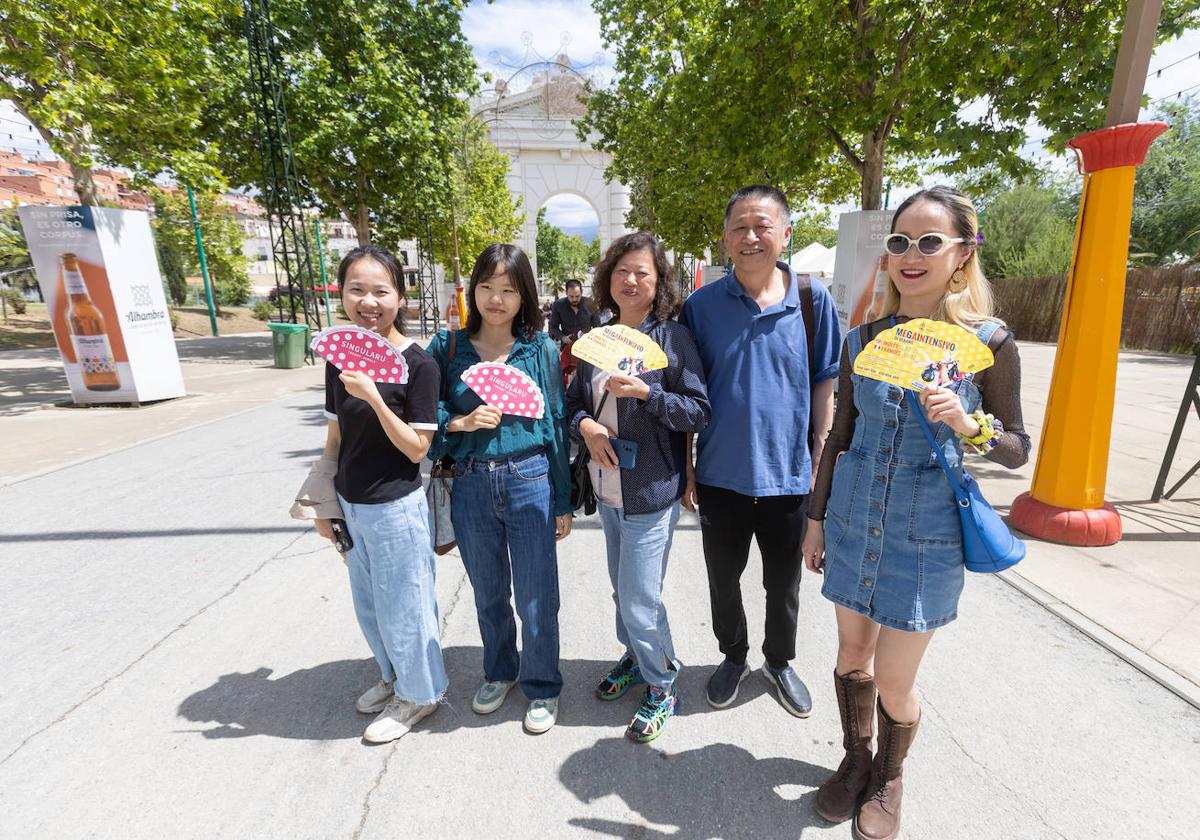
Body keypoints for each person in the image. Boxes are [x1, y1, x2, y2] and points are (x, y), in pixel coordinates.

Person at [802, 186, 1031, 840]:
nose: (911, 254)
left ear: (962, 254)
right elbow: (839, 438)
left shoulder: (989, 340)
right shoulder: (863, 339)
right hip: (851, 518)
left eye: (930, 241)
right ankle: (854, 759)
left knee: (896, 683)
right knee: (852, 654)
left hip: (926, 534)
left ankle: (889, 774)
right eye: (899, 241)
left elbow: (1017, 449)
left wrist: (971, 424)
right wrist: (815, 521)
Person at [679, 185, 841, 717]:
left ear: (785, 234)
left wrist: (820, 460)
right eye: (740, 228)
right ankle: (733, 655)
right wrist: (687, 471)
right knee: (723, 580)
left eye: (763, 226)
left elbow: (824, 384)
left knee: (784, 583)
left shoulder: (814, 302)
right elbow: (685, 392)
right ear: (725, 239)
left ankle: (779, 660)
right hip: (721, 474)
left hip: (791, 477)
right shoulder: (700, 308)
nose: (751, 237)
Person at [566, 232, 710, 743]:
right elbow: (574, 404)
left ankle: (663, 681)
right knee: (620, 590)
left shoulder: (672, 339)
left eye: (642, 272)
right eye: (622, 270)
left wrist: (649, 393)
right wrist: (584, 425)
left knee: (639, 598)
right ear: (608, 279)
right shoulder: (595, 339)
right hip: (606, 490)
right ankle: (635, 656)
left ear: (658, 282)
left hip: (651, 490)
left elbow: (697, 411)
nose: (631, 280)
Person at [427, 244, 573, 735]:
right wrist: (461, 421)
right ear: (474, 289)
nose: (495, 298)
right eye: (487, 286)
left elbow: (554, 420)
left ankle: (542, 683)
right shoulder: (448, 348)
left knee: (537, 595)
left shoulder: (541, 350)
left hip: (529, 478)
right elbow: (426, 415)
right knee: (488, 591)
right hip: (469, 484)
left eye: (508, 289)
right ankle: (499, 671)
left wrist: (562, 497)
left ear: (523, 294)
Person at [312, 245, 447, 743]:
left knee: (406, 604)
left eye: (380, 291)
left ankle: (421, 693)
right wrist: (324, 504)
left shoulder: (420, 364)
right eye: (356, 290)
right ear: (341, 292)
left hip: (396, 505)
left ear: (400, 295)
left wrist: (372, 394)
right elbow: (334, 436)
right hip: (351, 501)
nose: (369, 302)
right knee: (370, 603)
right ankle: (394, 679)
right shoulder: (338, 357)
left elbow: (417, 449)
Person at [547, 278, 599, 346]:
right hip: (567, 346)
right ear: (566, 293)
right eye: (571, 296)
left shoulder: (591, 303)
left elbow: (597, 326)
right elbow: (553, 326)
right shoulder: (558, 305)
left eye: (577, 296)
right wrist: (562, 337)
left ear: (582, 292)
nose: (574, 299)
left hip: (587, 346)